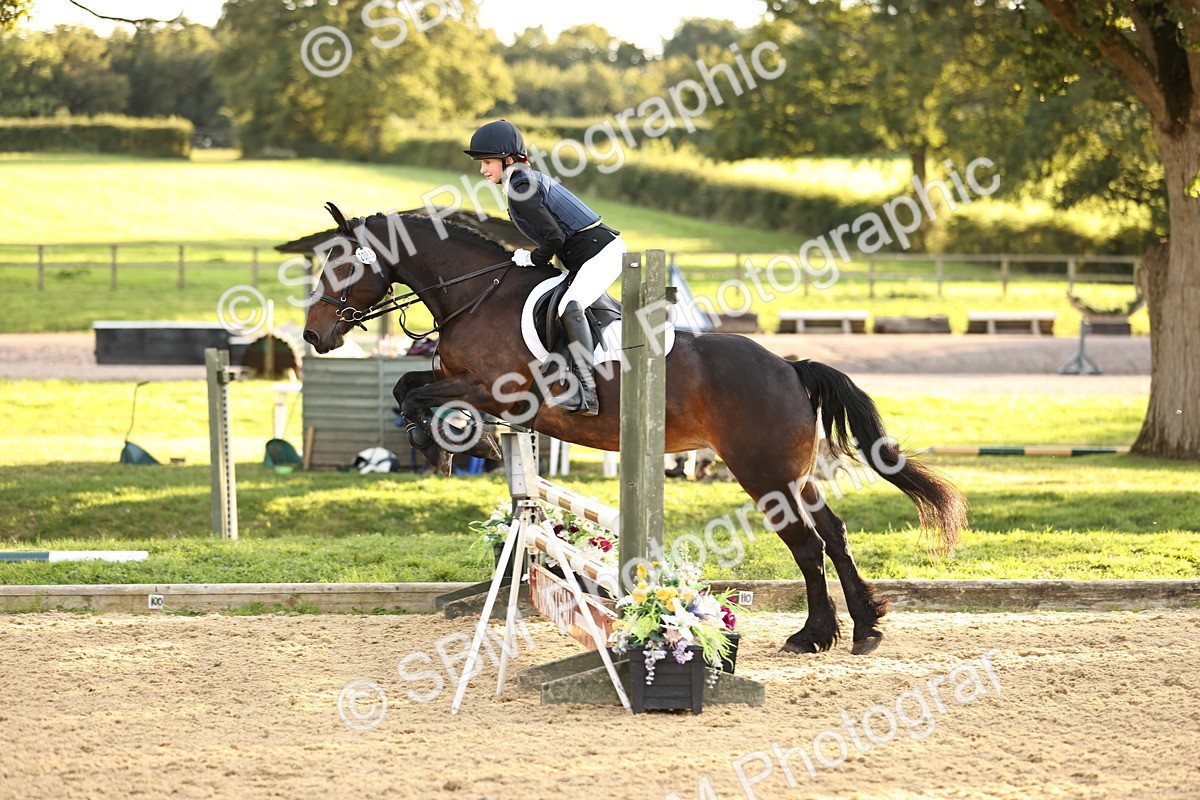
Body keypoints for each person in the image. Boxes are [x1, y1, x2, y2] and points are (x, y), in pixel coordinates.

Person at [465, 119, 625, 417]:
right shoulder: (520, 181)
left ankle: (587, 392)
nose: (483, 169)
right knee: (555, 306)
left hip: (600, 253)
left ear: (508, 159)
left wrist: (533, 259)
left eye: (487, 162)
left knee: (569, 306)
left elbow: (555, 237)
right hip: (583, 257)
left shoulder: (521, 186)